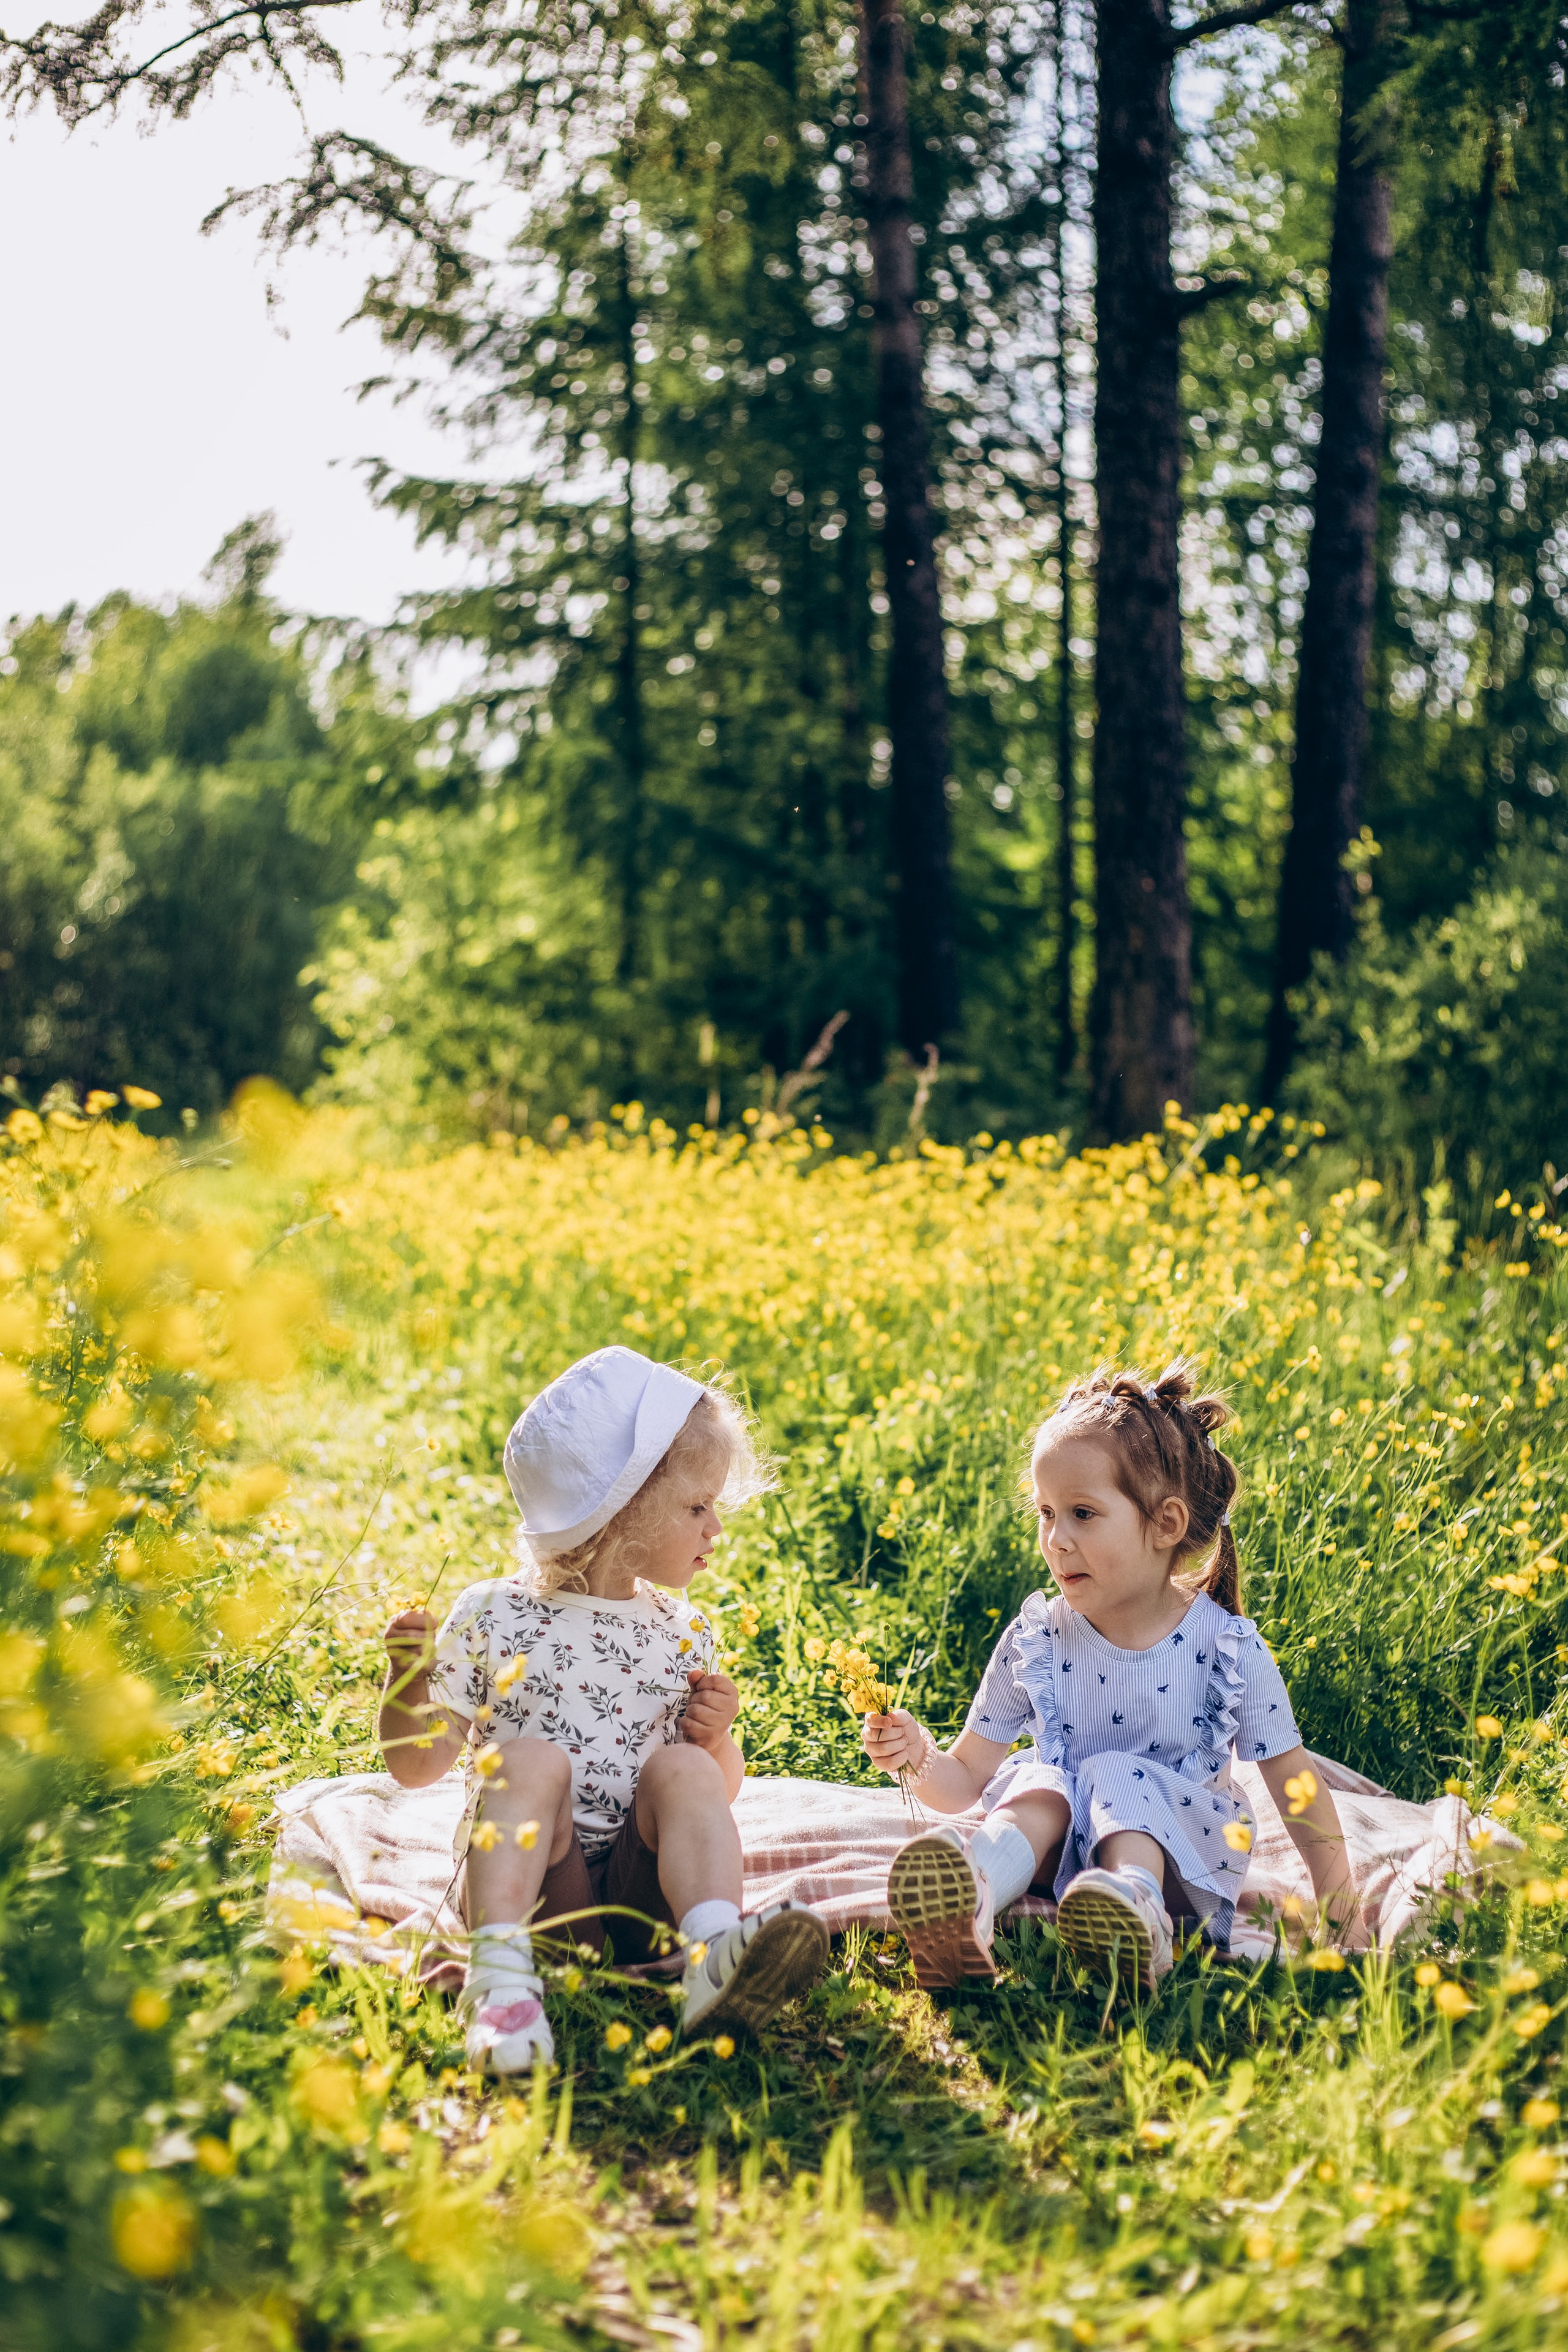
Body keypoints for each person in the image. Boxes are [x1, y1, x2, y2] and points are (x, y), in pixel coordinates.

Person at [379, 1345, 828, 2073]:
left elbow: (720, 1791)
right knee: (526, 1761)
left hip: (643, 1905)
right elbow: (415, 1765)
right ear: (620, 1509)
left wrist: (713, 1742)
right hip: (536, 1903)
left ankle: (713, 1952)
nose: (716, 1528)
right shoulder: (494, 1614)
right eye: (696, 1506)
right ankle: (500, 1985)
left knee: (683, 1767)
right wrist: (405, 1681)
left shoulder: (683, 1630)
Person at [862, 1362, 1360, 1993]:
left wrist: (1341, 1907)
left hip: (1184, 1871)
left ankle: (1133, 1914)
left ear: (1165, 1526)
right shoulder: (1038, 1638)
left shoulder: (1225, 1648)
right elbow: (965, 1781)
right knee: (1043, 1779)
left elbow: (1295, 1785)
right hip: (1062, 1853)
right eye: (1045, 1513)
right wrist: (915, 1758)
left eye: (1082, 1514)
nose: (1055, 1539)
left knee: (1113, 1773)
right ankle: (972, 1894)